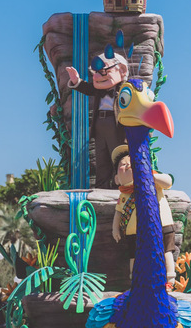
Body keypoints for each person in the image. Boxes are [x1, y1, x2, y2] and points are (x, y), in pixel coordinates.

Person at [111, 144, 175, 286]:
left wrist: (149, 174)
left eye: (131, 162)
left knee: (166, 252)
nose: (127, 165)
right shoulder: (123, 196)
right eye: (122, 165)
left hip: (162, 225)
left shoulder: (152, 181)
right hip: (133, 232)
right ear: (116, 179)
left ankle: (170, 280)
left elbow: (168, 181)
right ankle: (136, 281)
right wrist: (115, 229)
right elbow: (118, 213)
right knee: (134, 256)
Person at [66, 47, 129, 189]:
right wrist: (76, 80)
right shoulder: (99, 90)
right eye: (95, 73)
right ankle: (102, 186)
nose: (97, 77)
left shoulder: (126, 89)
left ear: (122, 71)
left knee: (117, 155)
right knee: (101, 156)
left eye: (103, 71)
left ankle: (119, 185)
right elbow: (87, 88)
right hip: (100, 124)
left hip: (116, 125)